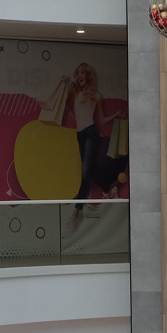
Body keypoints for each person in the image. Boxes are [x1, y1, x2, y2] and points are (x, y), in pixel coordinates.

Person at [62, 63, 117, 233]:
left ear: (87, 76)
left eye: (82, 73)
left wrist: (116, 115)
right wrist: (62, 85)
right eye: (77, 73)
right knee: (89, 171)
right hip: (80, 135)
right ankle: (109, 190)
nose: (80, 76)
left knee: (85, 173)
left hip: (92, 133)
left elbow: (102, 119)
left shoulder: (95, 95)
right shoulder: (75, 93)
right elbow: (64, 106)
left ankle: (75, 214)